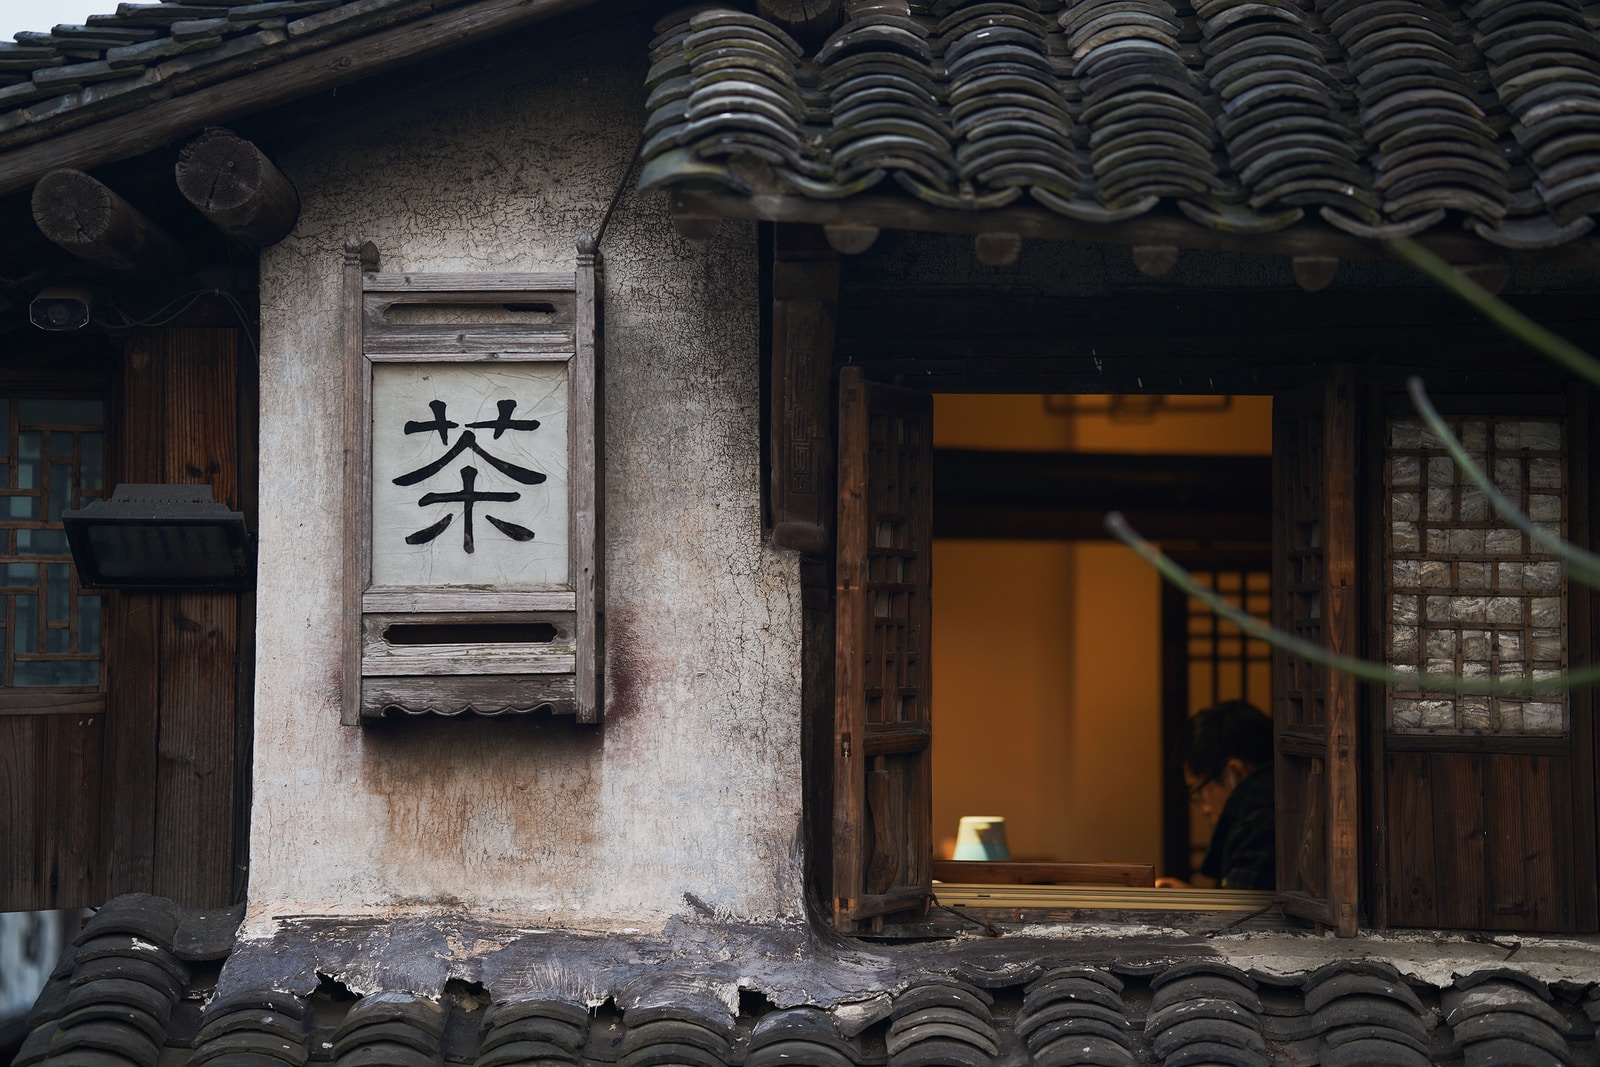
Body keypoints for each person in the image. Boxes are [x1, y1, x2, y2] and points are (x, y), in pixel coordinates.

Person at [1154, 700, 1275, 891]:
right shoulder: (1280, 806)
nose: (1205, 809)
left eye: (1200, 791)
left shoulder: (1259, 829)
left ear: (1236, 773)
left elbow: (1243, 919)